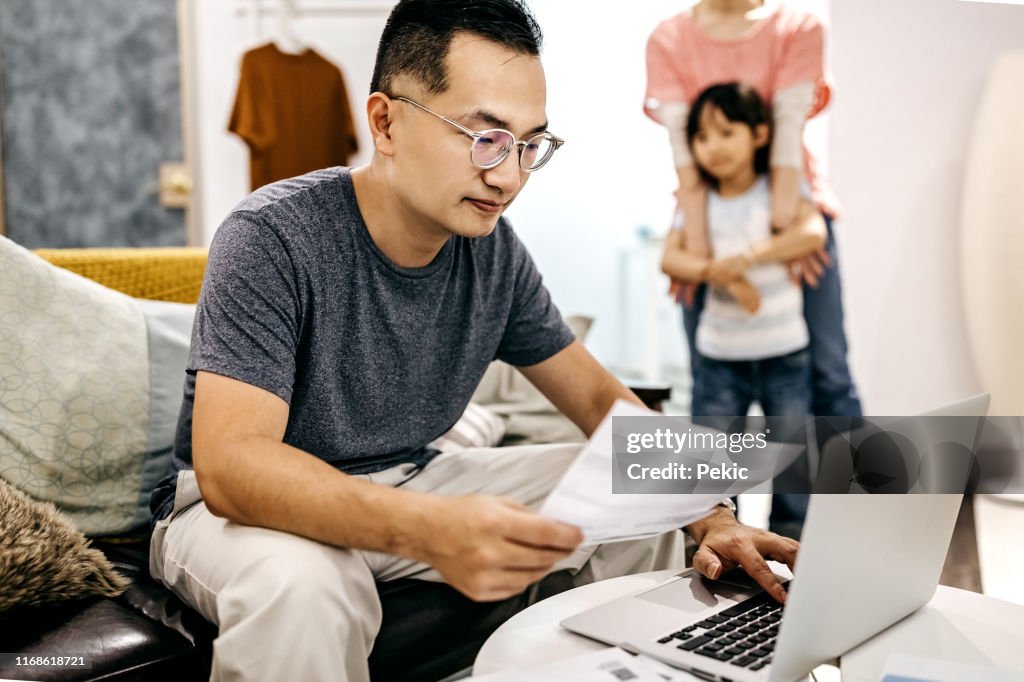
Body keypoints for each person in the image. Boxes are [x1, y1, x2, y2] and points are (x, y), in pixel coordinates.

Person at [148, 2, 799, 680]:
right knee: (306, 587)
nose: (510, 177)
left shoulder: (492, 256)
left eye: (528, 145)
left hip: (411, 474)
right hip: (238, 515)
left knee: (637, 484)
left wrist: (712, 515)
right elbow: (231, 465)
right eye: (484, 137)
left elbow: (600, 399)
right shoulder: (273, 237)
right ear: (385, 121)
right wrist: (426, 527)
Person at [644, 0, 862, 420]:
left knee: (829, 375)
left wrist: (781, 229)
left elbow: (788, 129)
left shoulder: (798, 27)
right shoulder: (669, 38)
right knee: (712, 384)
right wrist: (705, 257)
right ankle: (717, 488)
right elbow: (682, 147)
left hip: (790, 207)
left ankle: (856, 485)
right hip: (705, 219)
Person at [662, 82, 825, 535]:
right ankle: (720, 545)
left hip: (784, 353)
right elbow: (669, 258)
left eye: (725, 132)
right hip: (719, 357)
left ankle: (795, 548)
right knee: (713, 465)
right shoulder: (696, 202)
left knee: (794, 460)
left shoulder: (779, 191)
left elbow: (813, 233)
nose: (711, 147)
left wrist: (749, 259)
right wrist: (722, 273)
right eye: (701, 137)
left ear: (758, 134)